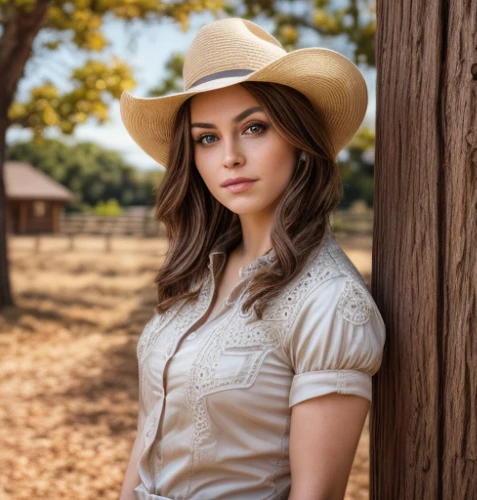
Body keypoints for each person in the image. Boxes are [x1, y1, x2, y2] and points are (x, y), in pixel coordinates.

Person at [119, 17, 386, 500]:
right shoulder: (196, 274)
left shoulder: (330, 302)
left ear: (299, 140)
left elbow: (317, 495)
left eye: (254, 128)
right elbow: (147, 437)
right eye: (207, 137)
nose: (230, 157)